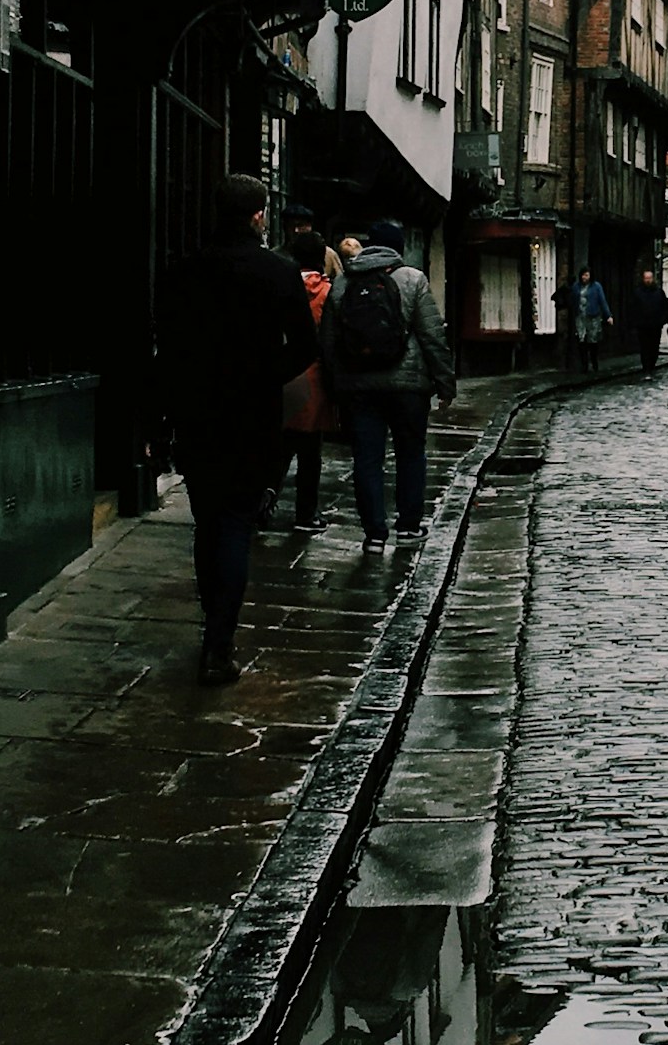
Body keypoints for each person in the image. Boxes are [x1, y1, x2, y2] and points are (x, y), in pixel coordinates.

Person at [157, 173, 319, 684]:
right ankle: (218, 644)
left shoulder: (184, 270)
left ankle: (213, 623)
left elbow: (167, 346)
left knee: (208, 522)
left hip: (196, 412)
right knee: (234, 523)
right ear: (258, 215)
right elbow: (306, 346)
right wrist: (266, 374)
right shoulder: (278, 271)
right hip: (252, 414)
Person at [323, 217, 456, 553]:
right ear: (399, 248)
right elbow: (431, 335)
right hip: (408, 386)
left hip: (359, 386)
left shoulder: (342, 283)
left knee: (367, 459)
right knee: (410, 454)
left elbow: (329, 341)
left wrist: (333, 386)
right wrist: (445, 382)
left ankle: (374, 535)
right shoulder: (413, 279)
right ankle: (408, 526)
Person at [263, 229, 335, 531]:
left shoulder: (278, 285)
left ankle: (264, 501)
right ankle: (305, 514)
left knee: (277, 448)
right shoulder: (329, 292)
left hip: (278, 373)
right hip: (313, 378)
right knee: (310, 453)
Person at [631, 264, 668, 377]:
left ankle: (651, 366)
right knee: (644, 348)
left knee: (654, 348)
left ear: (653, 279)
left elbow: (665, 307)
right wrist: (636, 322)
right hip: (642, 326)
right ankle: (646, 369)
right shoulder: (638, 292)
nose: (648, 280)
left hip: (655, 325)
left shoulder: (659, 292)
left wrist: (662, 320)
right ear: (643, 279)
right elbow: (633, 308)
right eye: (646, 278)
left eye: (649, 278)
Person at [573, 265, 610, 378]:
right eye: (583, 275)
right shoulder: (576, 286)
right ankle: (584, 365)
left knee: (593, 340)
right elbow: (573, 300)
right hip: (580, 317)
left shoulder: (596, 286)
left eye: (587, 275)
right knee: (581, 339)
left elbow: (602, 301)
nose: (584, 277)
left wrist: (608, 315)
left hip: (593, 316)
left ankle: (594, 362)